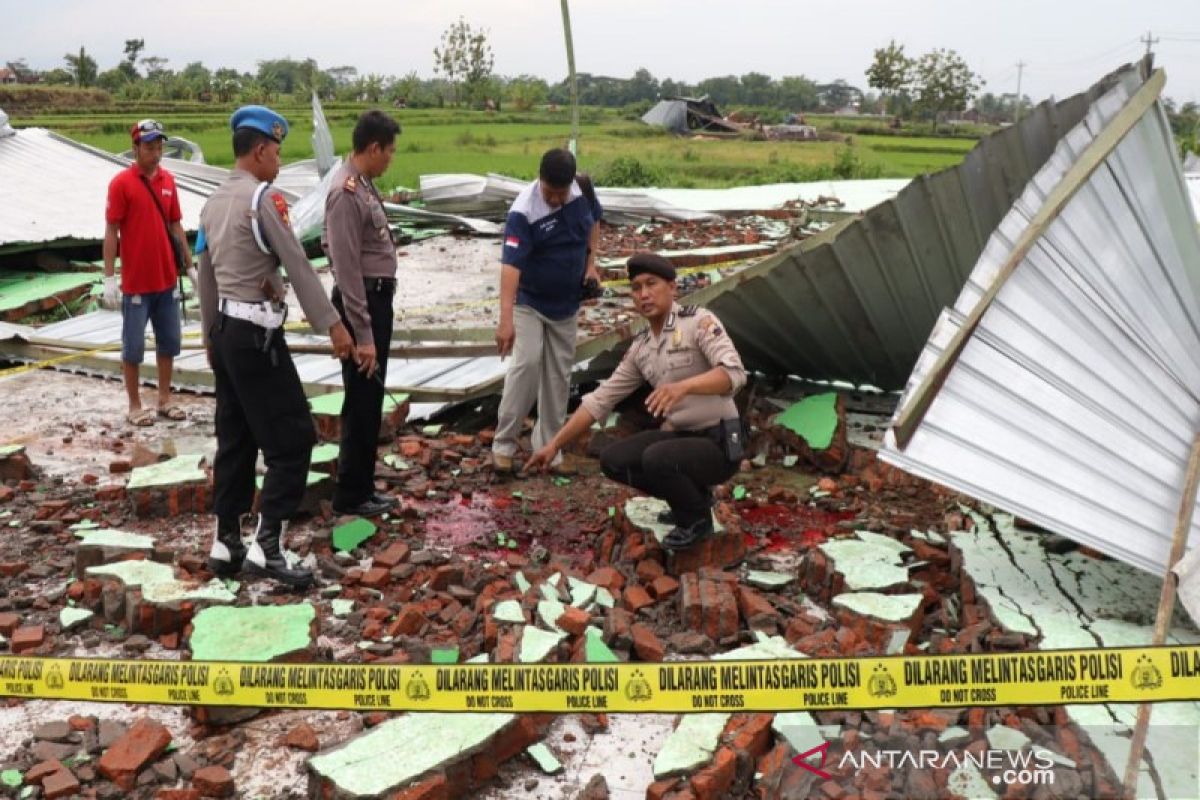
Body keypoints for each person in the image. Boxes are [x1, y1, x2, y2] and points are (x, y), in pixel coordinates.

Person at [196, 105, 354, 588]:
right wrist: (333, 325)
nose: (281, 160)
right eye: (278, 150)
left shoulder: (213, 201)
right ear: (261, 150)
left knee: (237, 436)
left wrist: (208, 335)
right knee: (292, 440)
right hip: (258, 337)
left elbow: (206, 274)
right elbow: (297, 264)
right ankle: (268, 546)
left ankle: (226, 541)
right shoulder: (262, 199)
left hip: (225, 331)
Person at [525, 253, 747, 550]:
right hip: (681, 439)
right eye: (636, 287)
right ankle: (691, 499)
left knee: (657, 458)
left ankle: (696, 520)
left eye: (651, 284)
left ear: (672, 287)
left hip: (719, 442)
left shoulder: (698, 322)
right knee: (614, 460)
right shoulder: (641, 347)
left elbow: (734, 374)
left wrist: (683, 387)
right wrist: (554, 445)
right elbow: (600, 401)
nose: (643, 294)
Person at [492, 148, 602, 473]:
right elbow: (510, 267)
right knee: (525, 364)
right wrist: (505, 320)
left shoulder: (583, 189)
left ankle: (549, 450)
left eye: (560, 193)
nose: (554, 199)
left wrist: (591, 265)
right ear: (539, 179)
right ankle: (503, 446)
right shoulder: (523, 211)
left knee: (558, 376)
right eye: (549, 192)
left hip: (567, 304)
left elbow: (595, 221)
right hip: (531, 301)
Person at [323, 110, 402, 517]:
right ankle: (350, 494)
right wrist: (363, 332)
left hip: (375, 301)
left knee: (369, 399)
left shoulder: (364, 185)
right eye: (389, 151)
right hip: (363, 304)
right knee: (361, 399)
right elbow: (347, 268)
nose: (391, 159)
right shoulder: (346, 192)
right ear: (373, 148)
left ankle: (362, 487)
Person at [103, 119, 190, 426]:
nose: (156, 153)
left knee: (169, 342)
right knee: (134, 346)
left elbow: (175, 224)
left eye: (159, 147)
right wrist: (110, 276)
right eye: (150, 147)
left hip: (166, 279)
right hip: (137, 283)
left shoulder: (168, 181)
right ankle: (134, 404)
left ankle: (165, 399)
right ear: (136, 148)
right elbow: (112, 230)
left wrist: (190, 266)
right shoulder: (121, 184)